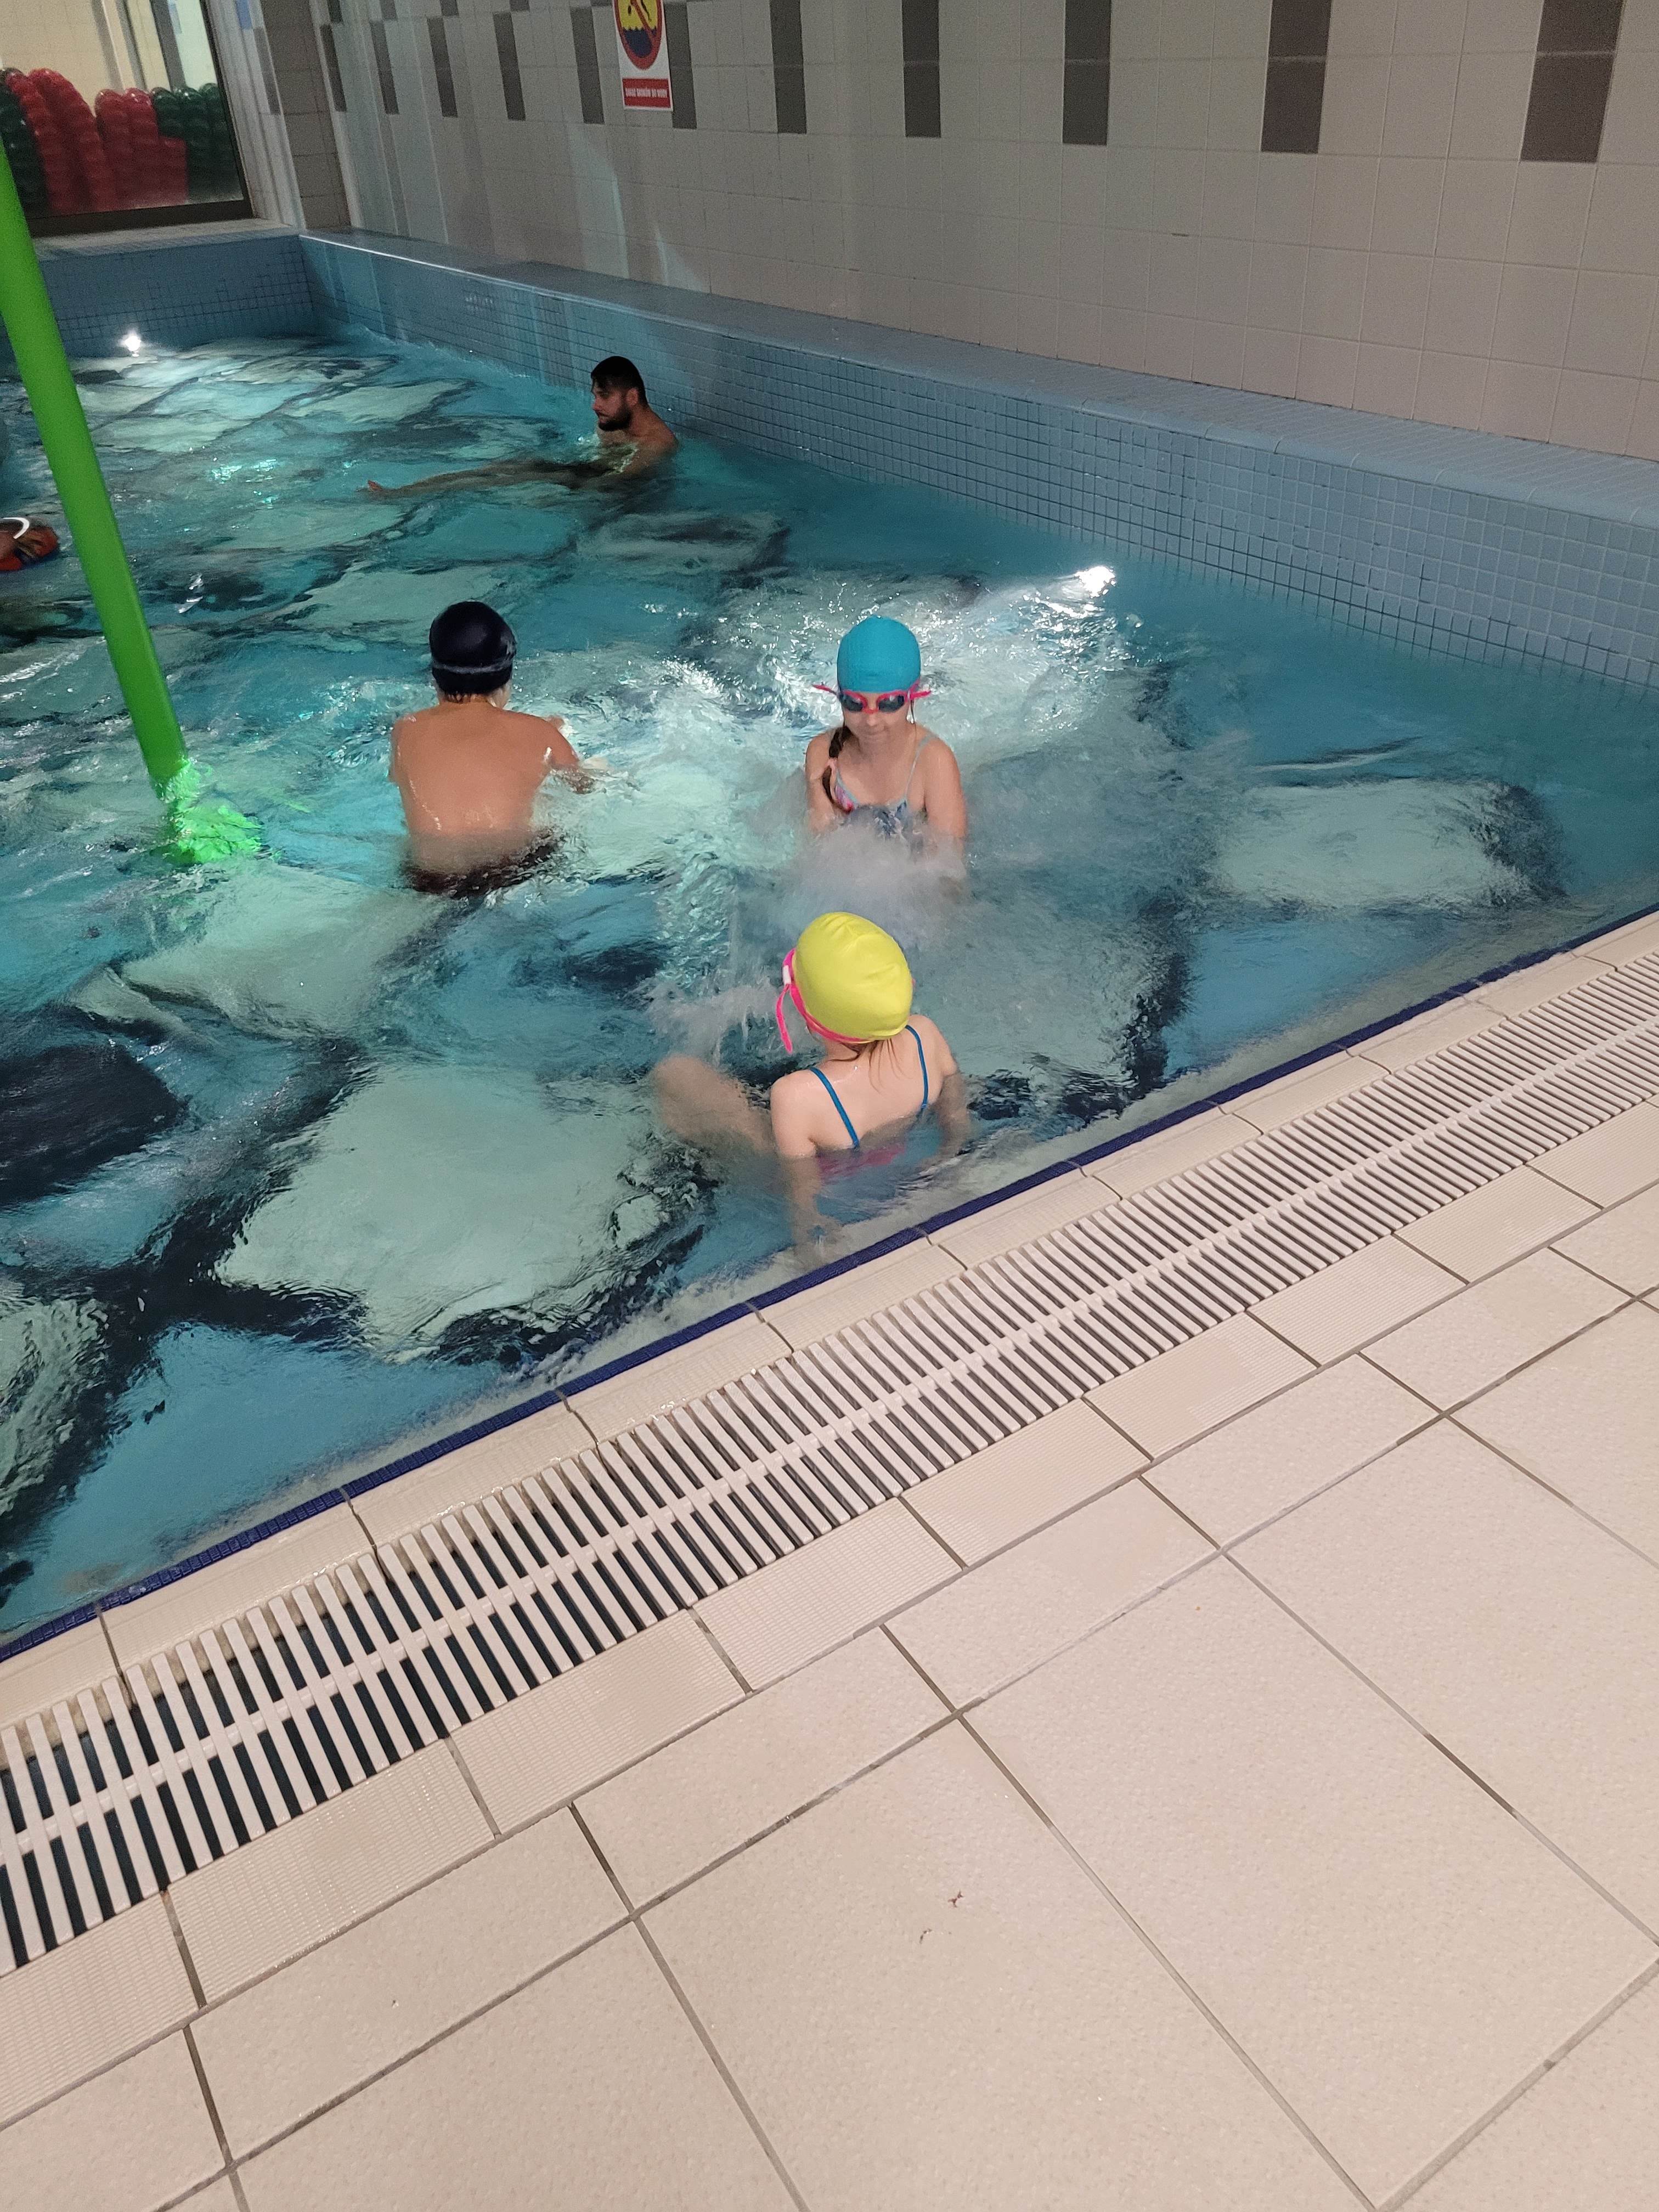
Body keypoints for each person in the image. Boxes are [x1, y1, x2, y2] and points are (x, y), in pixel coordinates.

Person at [653, 911, 967, 1250]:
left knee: (674, 1074)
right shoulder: (923, 1034)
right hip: (898, 1145)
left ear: (811, 1019)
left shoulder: (797, 1095)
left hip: (824, 1171)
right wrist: (947, 1151)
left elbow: (800, 1187)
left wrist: (806, 1230)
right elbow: (954, 1107)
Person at [390, 600, 589, 892]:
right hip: (515, 868)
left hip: (430, 878)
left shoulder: (406, 730)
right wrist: (548, 737)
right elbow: (586, 787)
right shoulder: (541, 732)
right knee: (551, 807)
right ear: (507, 681)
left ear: (435, 680)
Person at [364, 356, 675, 500]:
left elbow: (616, 483)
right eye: (595, 396)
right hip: (582, 472)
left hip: (608, 495)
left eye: (604, 397)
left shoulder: (657, 444)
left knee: (519, 480)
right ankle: (404, 491)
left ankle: (403, 497)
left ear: (632, 397)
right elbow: (589, 457)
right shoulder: (612, 422)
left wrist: (554, 498)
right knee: (504, 466)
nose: (595, 406)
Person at [804, 617, 967, 847]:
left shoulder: (934, 762)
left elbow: (949, 862)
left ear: (913, 697)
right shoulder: (823, 754)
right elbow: (819, 849)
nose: (871, 721)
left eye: (889, 703)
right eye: (854, 703)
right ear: (839, 696)